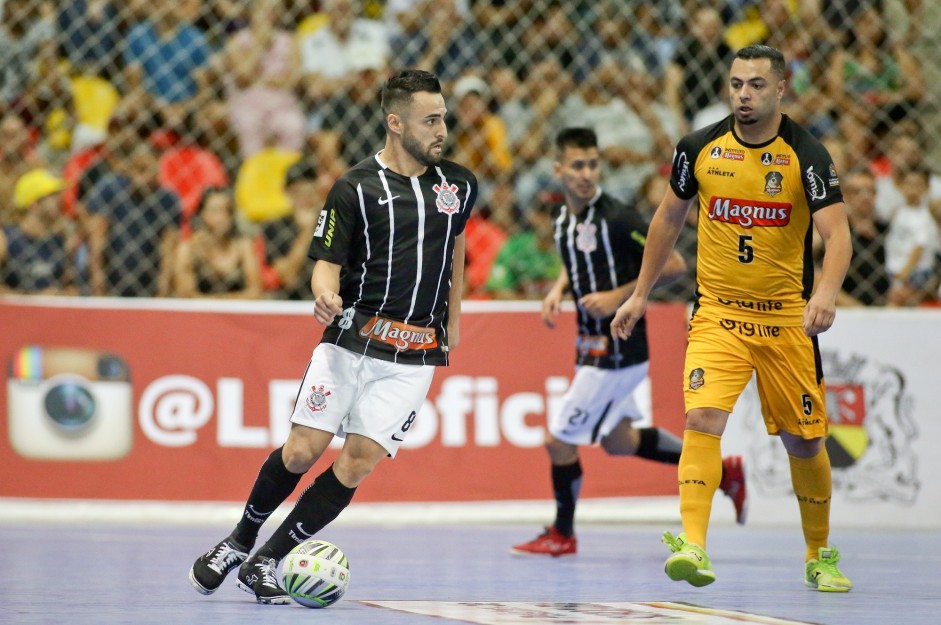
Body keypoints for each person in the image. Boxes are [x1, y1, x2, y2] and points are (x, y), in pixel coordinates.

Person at [189, 69, 477, 604]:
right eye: (430, 120)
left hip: (414, 354)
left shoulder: (457, 183)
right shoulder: (355, 187)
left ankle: (267, 562)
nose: (442, 129)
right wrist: (325, 294)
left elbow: (456, 247)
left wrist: (453, 319)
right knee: (301, 451)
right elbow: (326, 261)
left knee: (358, 461)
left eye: (443, 118)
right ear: (396, 123)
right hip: (351, 341)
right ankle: (238, 541)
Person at [611, 45, 854, 592]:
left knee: (806, 442)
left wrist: (827, 293)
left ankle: (820, 553)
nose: (744, 94)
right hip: (719, 313)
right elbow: (668, 218)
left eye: (756, 85)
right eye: (736, 84)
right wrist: (640, 294)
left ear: (781, 89)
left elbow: (838, 235)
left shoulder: (806, 154)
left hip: (788, 320)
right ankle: (693, 544)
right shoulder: (699, 148)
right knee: (702, 420)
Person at [510, 128, 745, 558]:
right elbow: (578, 260)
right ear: (558, 170)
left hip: (617, 349)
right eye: (577, 165)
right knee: (620, 442)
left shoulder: (617, 216)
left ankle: (563, 533)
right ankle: (723, 473)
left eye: (593, 165)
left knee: (558, 440)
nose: (586, 174)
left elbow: (673, 264)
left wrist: (618, 298)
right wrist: (558, 289)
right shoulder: (564, 219)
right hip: (590, 346)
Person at [173, 186, 263, 299]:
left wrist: (217, 302)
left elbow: (255, 292)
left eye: (227, 210)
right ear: (202, 214)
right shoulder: (189, 249)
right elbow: (186, 295)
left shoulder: (243, 246)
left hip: (237, 313)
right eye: (215, 211)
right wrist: (222, 303)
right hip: (199, 314)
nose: (221, 217)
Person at [0, 169, 77, 294]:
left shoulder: (59, 241)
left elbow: (71, 288)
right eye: (52, 195)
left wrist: (62, 294)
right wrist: (35, 298)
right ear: (34, 204)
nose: (59, 200)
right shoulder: (6, 238)